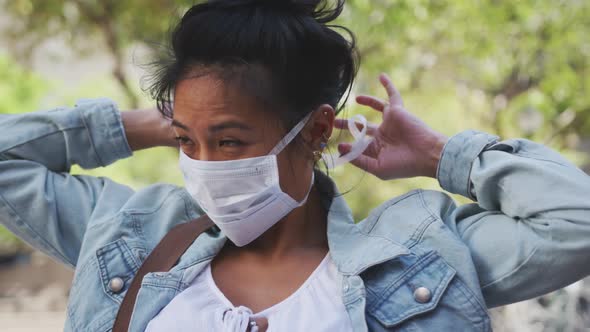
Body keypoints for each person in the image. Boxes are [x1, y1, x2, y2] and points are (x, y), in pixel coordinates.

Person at [1, 0, 589, 331]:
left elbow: (575, 223)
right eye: (187, 143)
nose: (204, 166)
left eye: (229, 143)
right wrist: (157, 122)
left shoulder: (417, 261)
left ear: (312, 131)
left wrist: (441, 157)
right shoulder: (131, 235)